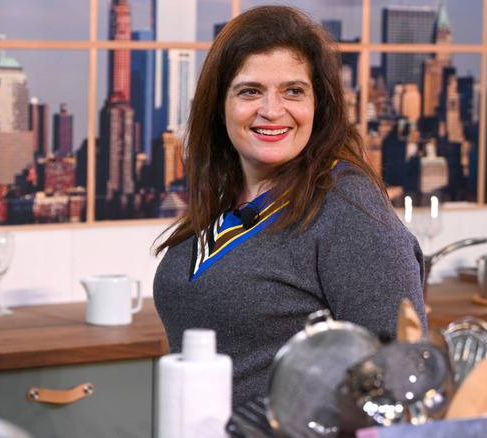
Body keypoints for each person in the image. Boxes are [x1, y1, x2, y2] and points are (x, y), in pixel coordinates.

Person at [152, 5, 426, 408]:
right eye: (250, 91)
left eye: (293, 91)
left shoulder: (349, 209)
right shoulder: (226, 199)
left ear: (319, 105)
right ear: (219, 104)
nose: (272, 110)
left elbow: (402, 383)